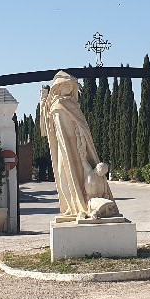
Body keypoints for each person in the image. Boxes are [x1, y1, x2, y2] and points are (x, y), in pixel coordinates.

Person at [39, 72, 118, 219]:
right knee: (63, 176)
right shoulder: (55, 105)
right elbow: (46, 128)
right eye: (65, 85)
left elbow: (83, 127)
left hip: (77, 147)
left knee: (79, 174)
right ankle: (71, 206)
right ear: (58, 87)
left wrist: (82, 141)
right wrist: (43, 101)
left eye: (71, 85)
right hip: (63, 148)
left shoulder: (74, 104)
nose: (68, 88)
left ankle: (82, 206)